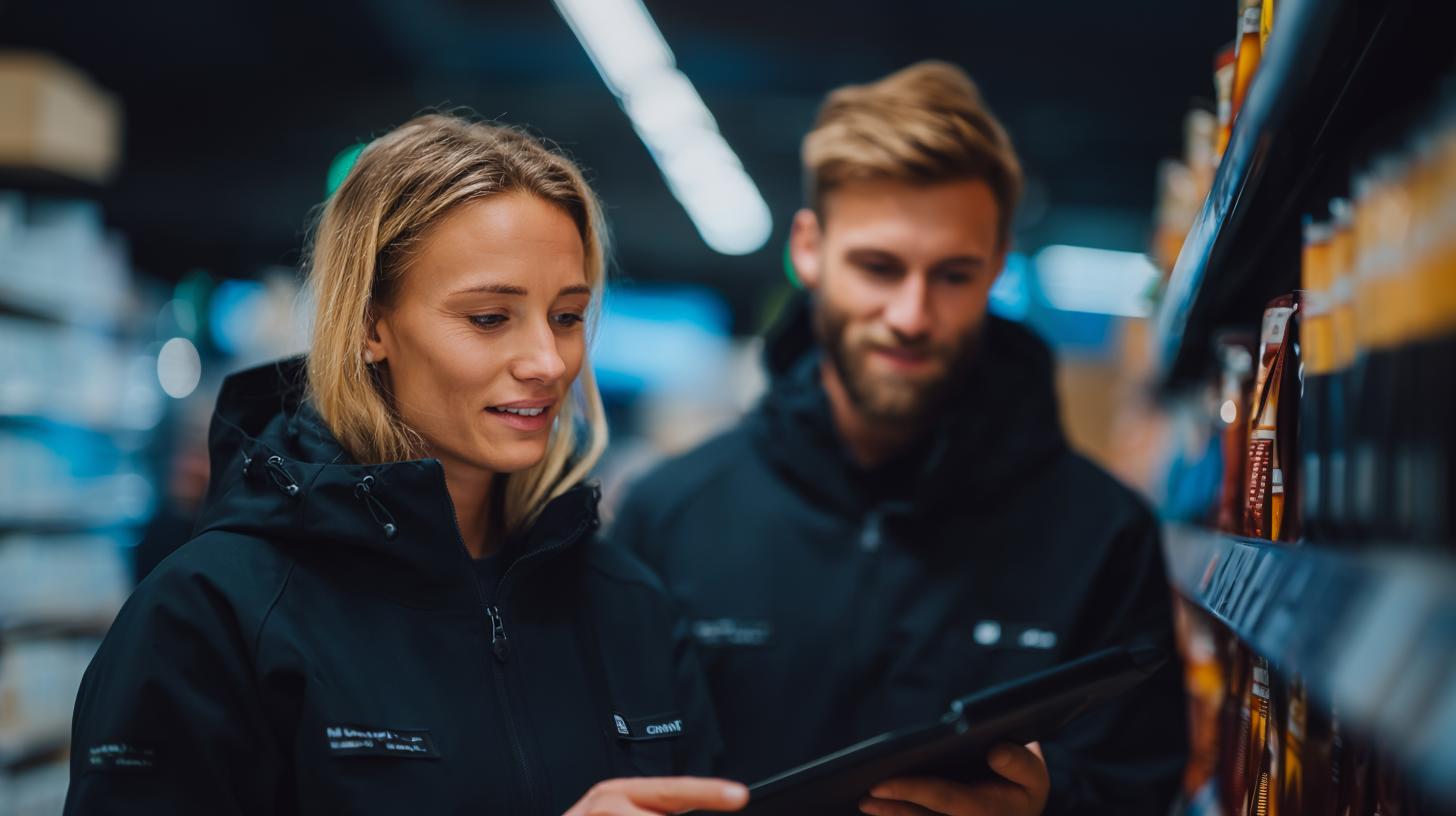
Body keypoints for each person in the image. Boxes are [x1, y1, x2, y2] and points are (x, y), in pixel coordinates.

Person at [64, 114, 749, 816]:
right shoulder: (212, 613)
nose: (549, 362)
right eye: (489, 318)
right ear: (369, 326)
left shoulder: (628, 605)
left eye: (567, 317)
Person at [610, 62, 1189, 815]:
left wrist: (1049, 807)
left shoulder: (1105, 537)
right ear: (811, 249)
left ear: (996, 269)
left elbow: (1140, 788)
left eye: (953, 274)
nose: (912, 315)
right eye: (879, 267)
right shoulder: (669, 518)